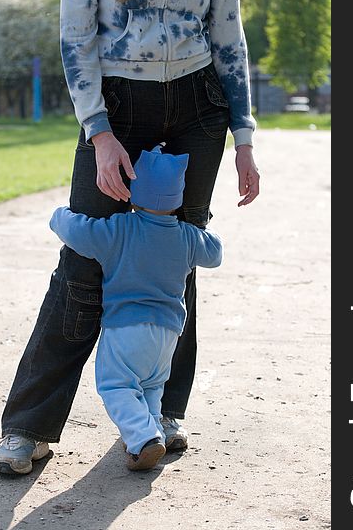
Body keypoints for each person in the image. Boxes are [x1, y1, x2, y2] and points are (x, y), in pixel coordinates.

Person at [0, 0, 259, 475]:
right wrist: (99, 131)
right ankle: (29, 428)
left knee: (174, 255)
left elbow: (229, 37)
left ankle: (161, 413)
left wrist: (244, 137)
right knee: (82, 264)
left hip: (197, 106)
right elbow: (76, 37)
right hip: (117, 105)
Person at [49, 145, 223, 471]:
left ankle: (143, 438)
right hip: (169, 333)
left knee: (115, 385)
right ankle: (151, 431)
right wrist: (203, 225)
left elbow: (77, 231)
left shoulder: (120, 229)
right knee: (151, 387)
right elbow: (215, 253)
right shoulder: (186, 237)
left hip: (125, 327)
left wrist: (58, 216)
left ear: (133, 195)